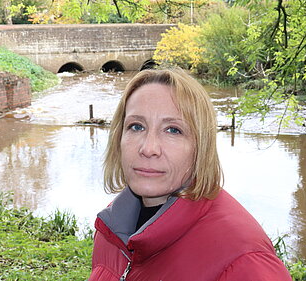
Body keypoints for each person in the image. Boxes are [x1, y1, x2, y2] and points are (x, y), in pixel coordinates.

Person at [88, 68, 292, 281]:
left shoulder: (243, 259)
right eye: (136, 126)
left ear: (200, 146)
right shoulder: (110, 232)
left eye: (173, 130)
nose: (148, 148)